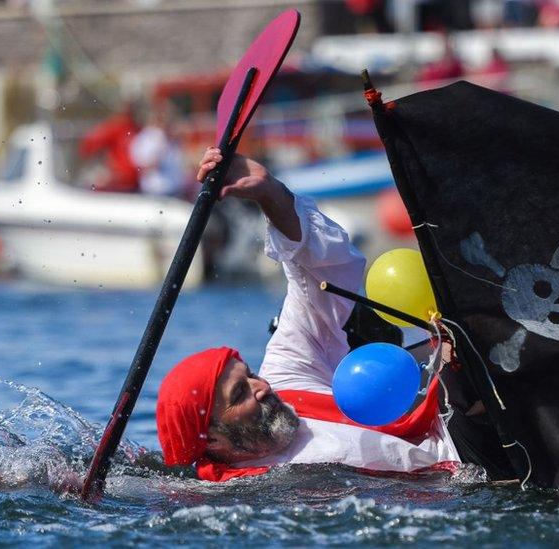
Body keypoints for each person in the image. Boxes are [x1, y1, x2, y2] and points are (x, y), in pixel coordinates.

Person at [155, 149, 460, 482]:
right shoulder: (243, 499)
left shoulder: (286, 377)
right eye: (239, 394)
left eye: (250, 375)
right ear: (213, 440)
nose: (261, 386)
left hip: (466, 448)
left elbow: (317, 274)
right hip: (460, 484)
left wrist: (270, 193)